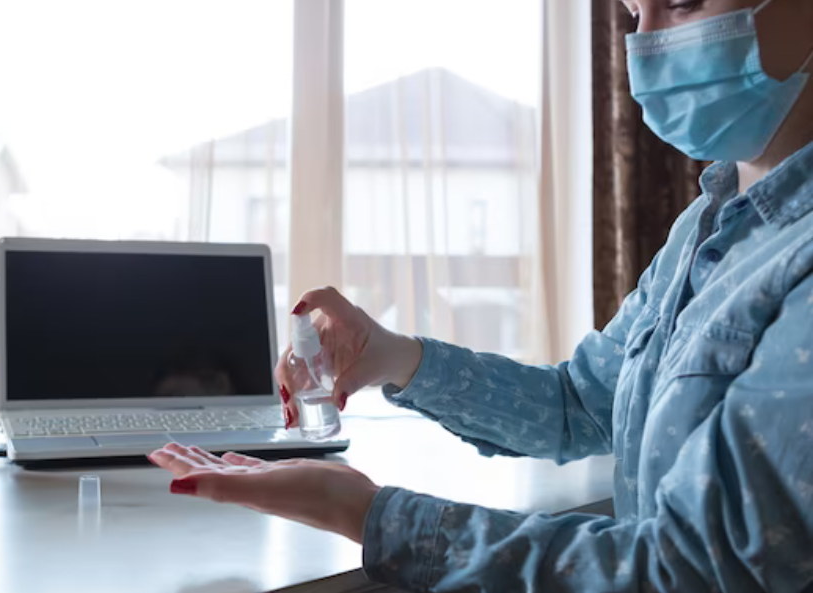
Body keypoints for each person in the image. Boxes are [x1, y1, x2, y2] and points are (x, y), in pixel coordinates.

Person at [148, 0, 813, 590]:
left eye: (681, 4)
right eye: (635, 15)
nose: (648, 46)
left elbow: (688, 571)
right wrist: (392, 357)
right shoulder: (704, 225)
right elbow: (577, 402)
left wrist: (363, 511)